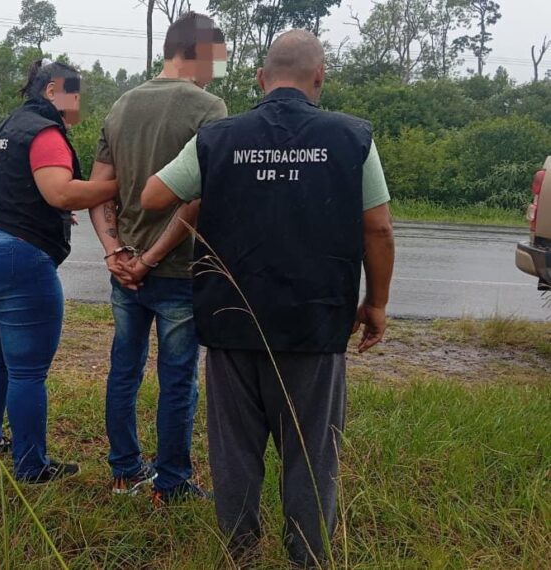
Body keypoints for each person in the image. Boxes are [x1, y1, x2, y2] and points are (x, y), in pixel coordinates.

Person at [141, 30, 396, 565]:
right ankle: (308, 556)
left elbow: (154, 196)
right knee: (311, 453)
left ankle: (241, 554)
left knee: (235, 452)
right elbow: (378, 230)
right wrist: (376, 303)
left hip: (231, 324)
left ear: (260, 80)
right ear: (319, 79)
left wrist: (219, 178)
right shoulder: (353, 138)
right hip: (315, 327)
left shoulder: (218, 137)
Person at [0, 60, 118, 484]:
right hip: (15, 259)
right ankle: (31, 466)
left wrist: (49, 214)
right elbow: (60, 191)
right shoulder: (45, 132)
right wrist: (120, 185)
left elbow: (16, 188)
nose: (78, 103)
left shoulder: (8, 126)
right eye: (74, 94)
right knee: (27, 370)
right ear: (53, 92)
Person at [88, 12, 229, 503]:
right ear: (198, 50)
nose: (218, 69)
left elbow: (100, 188)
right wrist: (148, 259)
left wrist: (114, 252)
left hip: (123, 270)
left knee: (123, 370)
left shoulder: (121, 105)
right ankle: (171, 483)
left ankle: (125, 472)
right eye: (217, 57)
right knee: (177, 380)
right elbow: (197, 198)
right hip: (173, 270)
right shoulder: (209, 107)